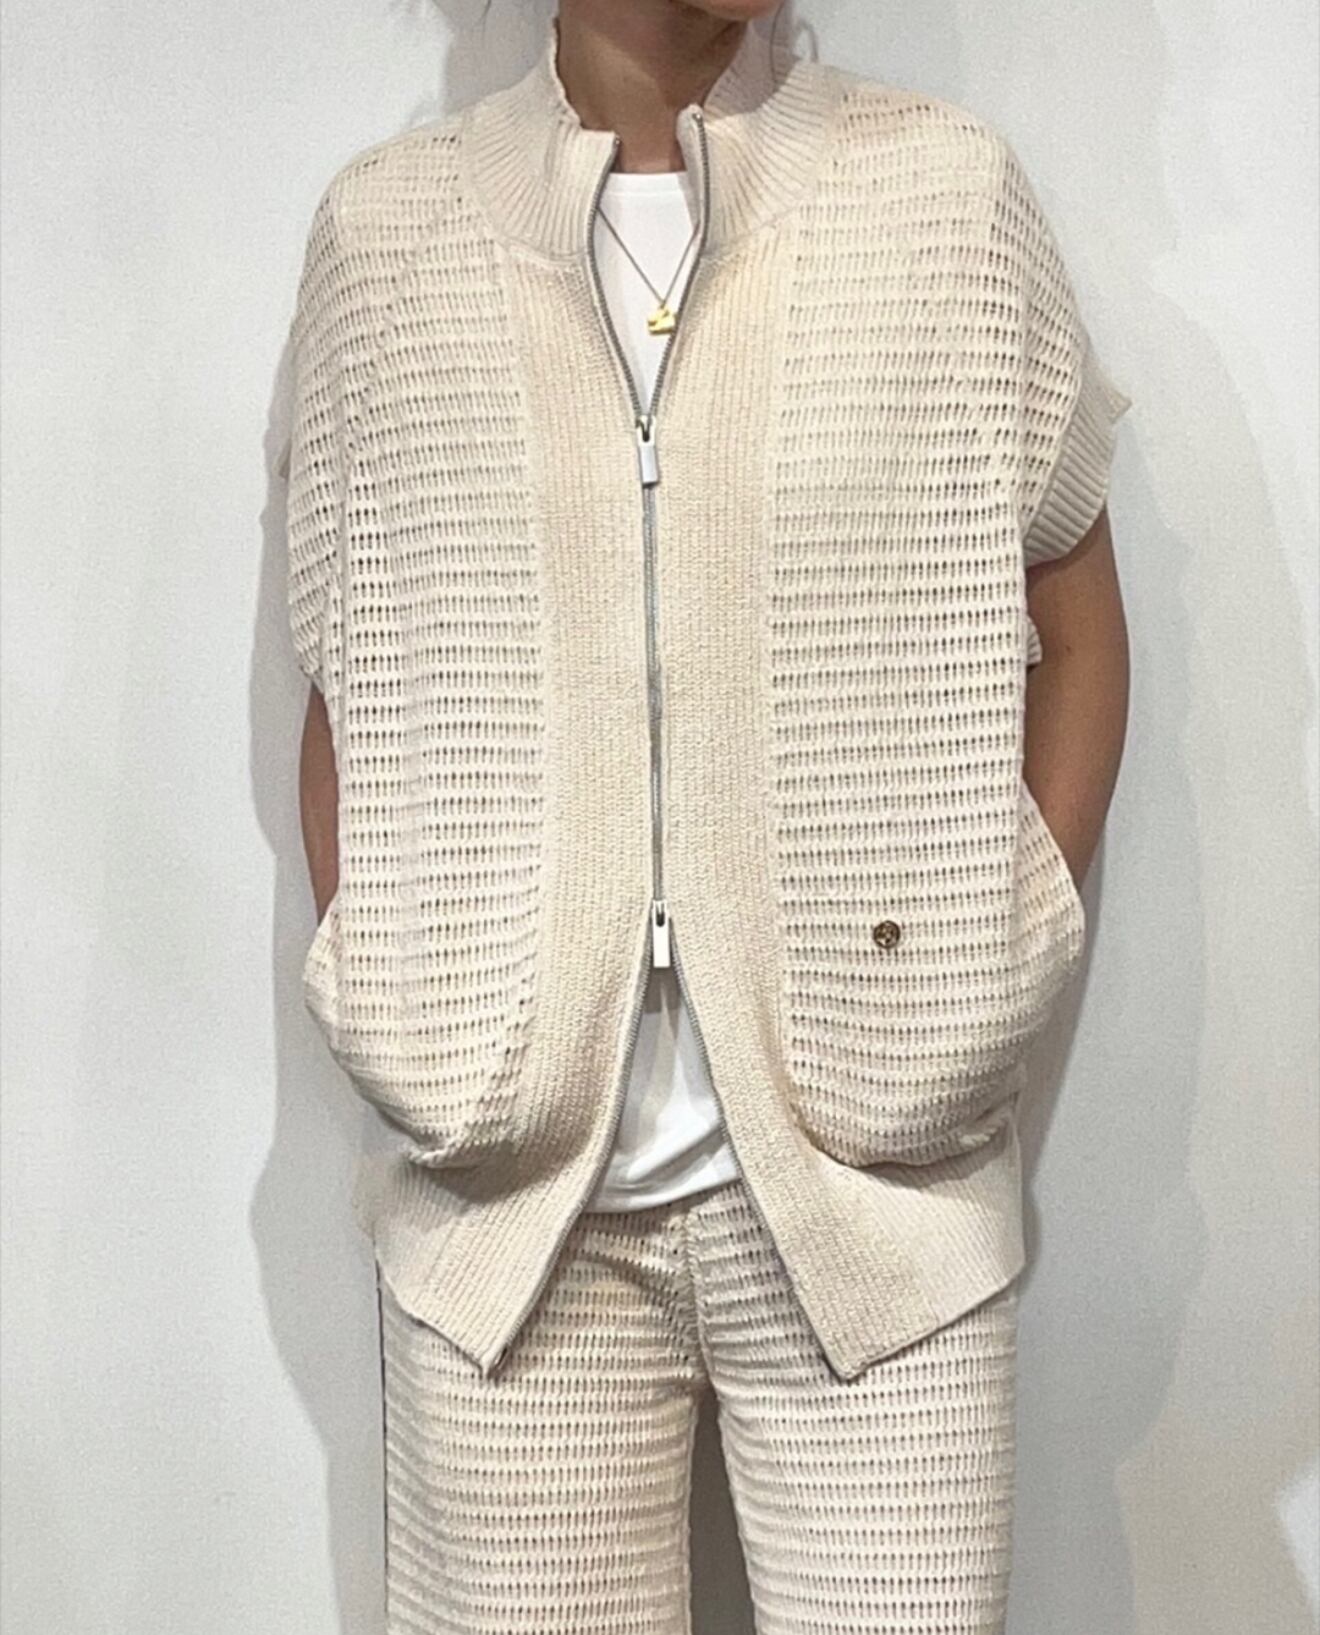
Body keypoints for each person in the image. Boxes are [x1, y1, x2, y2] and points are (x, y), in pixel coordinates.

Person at [281, 1, 1133, 1629]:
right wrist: (393, 996)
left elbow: (1077, 624)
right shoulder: (387, 237)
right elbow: (352, 669)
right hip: (504, 1218)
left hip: (883, 1192)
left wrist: (999, 954)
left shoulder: (945, 197)